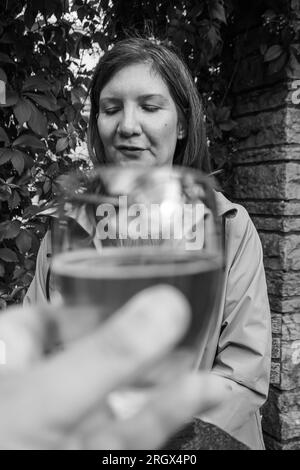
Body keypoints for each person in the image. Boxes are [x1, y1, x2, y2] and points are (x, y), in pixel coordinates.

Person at [24, 38, 271, 449]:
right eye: (111, 108)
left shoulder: (229, 228)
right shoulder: (69, 229)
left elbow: (242, 373)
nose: (127, 126)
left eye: (150, 107)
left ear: (182, 125)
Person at [0, 286, 231, 450]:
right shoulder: (65, 228)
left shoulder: (228, 223)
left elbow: (242, 371)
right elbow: (34, 349)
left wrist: (188, 433)